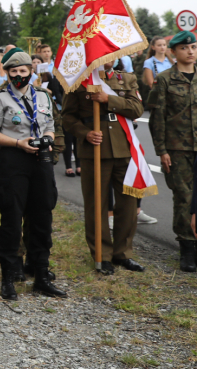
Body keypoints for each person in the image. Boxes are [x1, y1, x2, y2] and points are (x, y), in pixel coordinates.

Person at [0, 48, 66, 301]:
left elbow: (50, 124)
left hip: (40, 161)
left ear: (31, 71)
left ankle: (41, 274)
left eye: (23, 71)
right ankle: (8, 277)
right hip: (14, 159)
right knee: (12, 217)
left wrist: (48, 140)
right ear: (7, 73)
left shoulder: (42, 96)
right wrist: (19, 144)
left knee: (42, 216)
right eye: (13, 71)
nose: (18, 75)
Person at [61, 61, 146, 274]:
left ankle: (122, 253)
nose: (105, 57)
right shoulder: (79, 81)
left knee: (128, 202)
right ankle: (102, 254)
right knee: (96, 204)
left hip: (124, 148)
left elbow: (137, 108)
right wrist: (84, 133)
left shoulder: (126, 78)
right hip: (94, 150)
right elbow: (67, 117)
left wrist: (109, 99)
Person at [148, 30, 197, 272]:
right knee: (184, 198)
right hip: (178, 150)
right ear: (173, 52)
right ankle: (187, 247)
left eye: (194, 47)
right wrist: (161, 150)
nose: (190, 52)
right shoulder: (165, 79)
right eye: (185, 48)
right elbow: (158, 118)